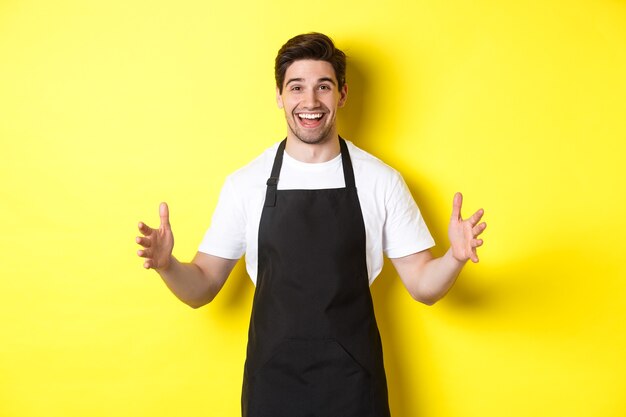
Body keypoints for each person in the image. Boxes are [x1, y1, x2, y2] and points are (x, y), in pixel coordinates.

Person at [135, 33, 486, 417]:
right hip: (272, 385)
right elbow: (201, 287)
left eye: (324, 86)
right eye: (297, 87)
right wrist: (168, 265)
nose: (311, 101)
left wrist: (454, 257)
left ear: (343, 94)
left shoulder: (380, 180)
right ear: (280, 96)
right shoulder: (246, 184)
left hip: (354, 386)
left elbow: (423, 286)